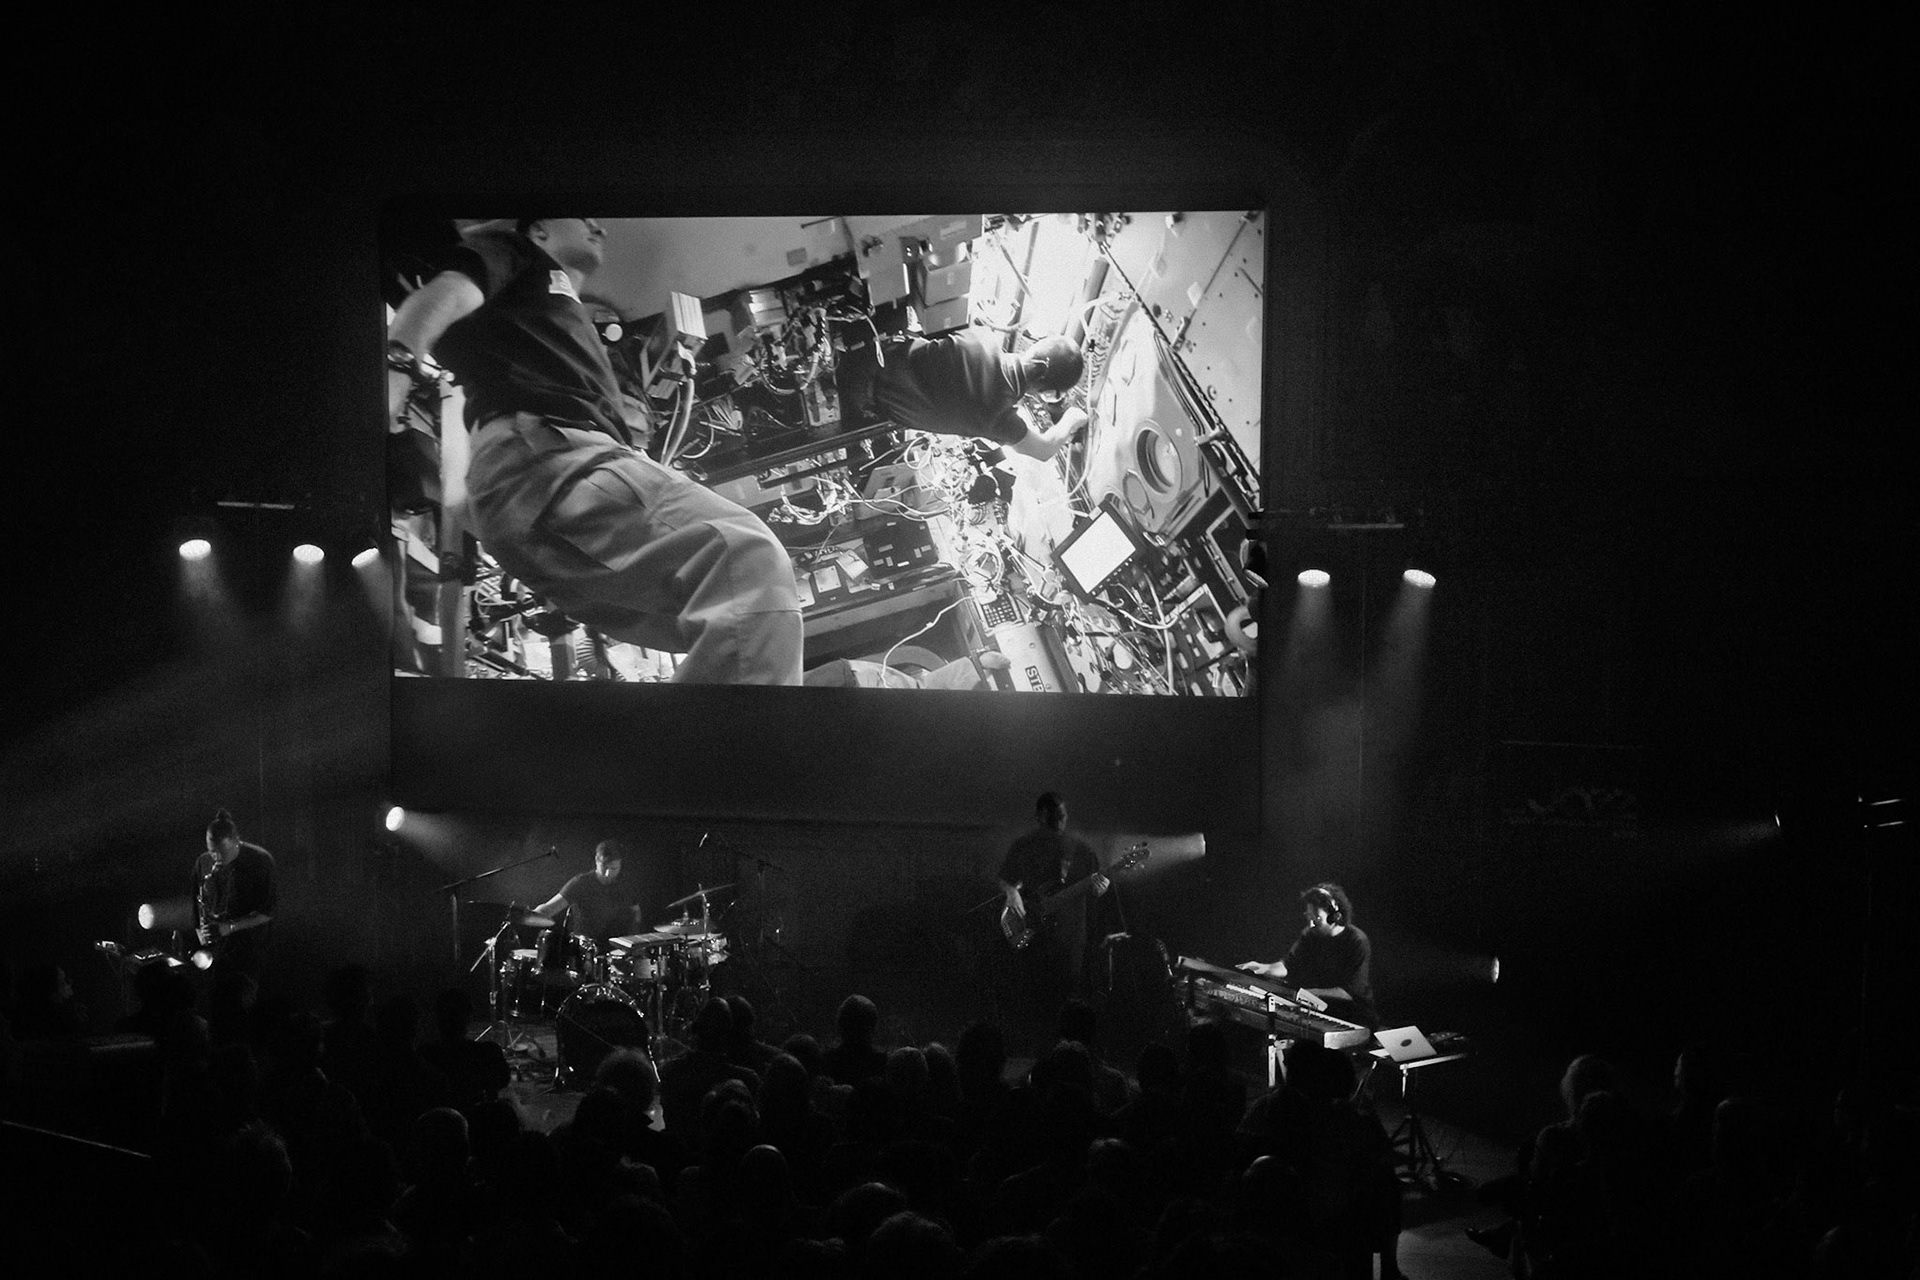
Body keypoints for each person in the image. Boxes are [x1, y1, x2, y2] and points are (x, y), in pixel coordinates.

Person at [386, 215, 803, 685]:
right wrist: (397, 364)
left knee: (732, 618)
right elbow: (446, 292)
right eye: (583, 218)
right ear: (537, 231)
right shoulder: (513, 249)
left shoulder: (550, 311)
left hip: (532, 485)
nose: (598, 226)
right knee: (744, 558)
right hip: (550, 460)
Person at [836, 327, 1088, 461]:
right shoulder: (1000, 419)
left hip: (857, 356)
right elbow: (1044, 451)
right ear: (1046, 393)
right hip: (855, 409)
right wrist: (1073, 417)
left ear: (1034, 345)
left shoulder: (980, 336)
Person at [998, 792, 1113, 1048]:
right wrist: (1012, 893)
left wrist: (1102, 886)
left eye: (1062, 816)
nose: (1059, 822)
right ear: (1040, 816)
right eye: (1053, 817)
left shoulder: (1081, 850)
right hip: (1035, 937)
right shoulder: (1023, 846)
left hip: (1070, 937)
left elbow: (1098, 888)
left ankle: (1065, 1050)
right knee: (1033, 998)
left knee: (1068, 997)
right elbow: (1005, 877)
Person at [1237, 882, 1377, 1029]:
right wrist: (1265, 968)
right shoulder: (1310, 935)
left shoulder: (1356, 940)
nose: (1311, 923)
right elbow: (1288, 965)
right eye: (1309, 916)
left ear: (1335, 916)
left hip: (1354, 1017)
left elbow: (1351, 992)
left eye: (1316, 917)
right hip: (1320, 1011)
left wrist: (1310, 994)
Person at [192, 808, 276, 1040]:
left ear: (236, 842)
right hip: (217, 957)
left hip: (250, 954)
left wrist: (230, 927)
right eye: (211, 851)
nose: (215, 858)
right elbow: (197, 909)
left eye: (221, 853)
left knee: (243, 1016)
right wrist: (203, 934)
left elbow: (268, 912)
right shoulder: (203, 862)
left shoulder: (260, 860)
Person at [533, 840, 642, 944]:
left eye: (614, 868)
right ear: (596, 860)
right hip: (584, 950)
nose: (608, 873)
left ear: (620, 864)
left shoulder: (625, 884)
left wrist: (633, 941)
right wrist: (528, 915)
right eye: (604, 867)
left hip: (616, 949)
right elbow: (550, 908)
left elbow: (635, 913)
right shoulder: (581, 883)